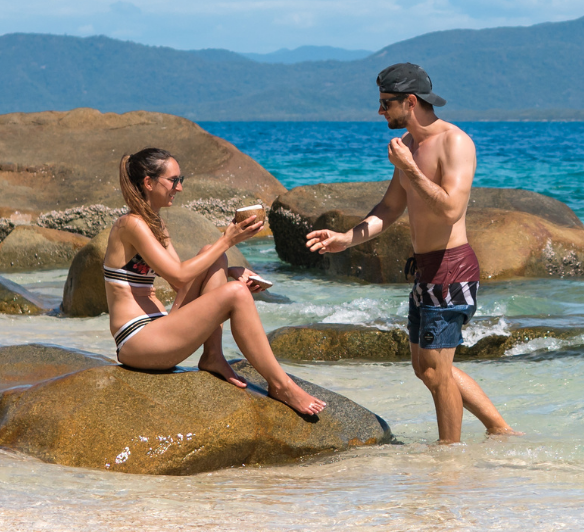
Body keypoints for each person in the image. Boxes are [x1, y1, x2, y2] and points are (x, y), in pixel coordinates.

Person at [306, 63, 514, 443]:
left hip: (452, 268)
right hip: (424, 270)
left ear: (411, 101)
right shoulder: (410, 146)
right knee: (426, 369)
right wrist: (345, 238)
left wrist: (410, 168)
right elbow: (389, 208)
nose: (380, 111)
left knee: (437, 370)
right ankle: (500, 429)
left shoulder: (455, 142)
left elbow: (450, 208)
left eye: (386, 103)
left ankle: (449, 455)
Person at [104, 147, 326, 417]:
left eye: (180, 179)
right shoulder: (131, 225)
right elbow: (178, 275)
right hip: (138, 341)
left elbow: (179, 281)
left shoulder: (155, 224)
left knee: (212, 256)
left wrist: (230, 268)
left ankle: (213, 356)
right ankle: (281, 385)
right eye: (173, 180)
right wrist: (228, 240)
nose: (180, 187)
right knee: (234, 291)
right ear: (149, 183)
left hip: (159, 328)